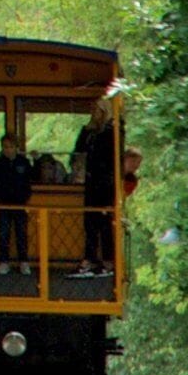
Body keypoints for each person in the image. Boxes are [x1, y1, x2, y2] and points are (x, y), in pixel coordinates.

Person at [72, 95, 131, 275]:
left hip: (106, 184)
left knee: (105, 223)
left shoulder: (112, 132)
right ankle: (89, 259)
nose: (92, 113)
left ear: (103, 112)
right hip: (91, 182)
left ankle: (108, 261)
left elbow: (114, 158)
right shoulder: (89, 132)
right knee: (90, 222)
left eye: (95, 110)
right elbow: (78, 152)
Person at [0, 109, 39, 269]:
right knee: (3, 234)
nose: (8, 150)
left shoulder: (23, 162)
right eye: (5, 147)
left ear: (17, 147)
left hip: (20, 203)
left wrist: (36, 160)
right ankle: (4, 261)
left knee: (21, 234)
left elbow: (34, 176)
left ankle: (23, 261)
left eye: (11, 147)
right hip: (3, 203)